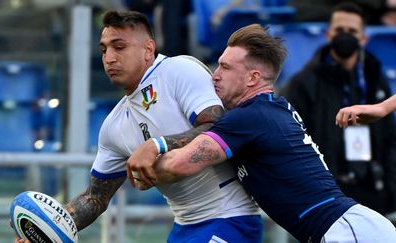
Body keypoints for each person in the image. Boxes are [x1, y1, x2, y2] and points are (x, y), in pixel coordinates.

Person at [127, 23, 396, 243]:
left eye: (226, 67)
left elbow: (178, 165)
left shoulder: (249, 118)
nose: (214, 76)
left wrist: (152, 150)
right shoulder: (269, 110)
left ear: (253, 78)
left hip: (348, 232)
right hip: (347, 229)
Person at [14, 10, 262, 243]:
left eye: (119, 47)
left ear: (148, 49)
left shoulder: (179, 70)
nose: (109, 58)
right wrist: (46, 230)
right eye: (104, 50)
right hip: (184, 227)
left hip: (230, 218)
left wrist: (157, 145)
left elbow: (218, 126)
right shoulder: (113, 126)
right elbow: (95, 198)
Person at [281, 2, 396, 215]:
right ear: (327, 34)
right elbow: (293, 142)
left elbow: (389, 138)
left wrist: (390, 189)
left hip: (373, 192)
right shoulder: (303, 83)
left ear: (364, 38)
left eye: (352, 31)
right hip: (327, 196)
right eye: (339, 30)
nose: (345, 36)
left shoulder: (376, 79)